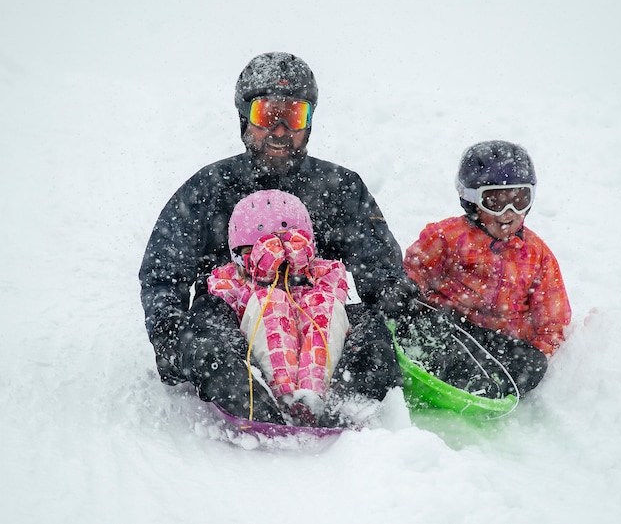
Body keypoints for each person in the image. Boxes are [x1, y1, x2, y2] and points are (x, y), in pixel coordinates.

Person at [139, 52, 417, 425]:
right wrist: (169, 328)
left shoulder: (339, 189)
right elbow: (164, 268)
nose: (281, 130)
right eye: (268, 115)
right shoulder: (210, 188)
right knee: (204, 338)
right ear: (244, 118)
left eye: (294, 116)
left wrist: (389, 291)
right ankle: (251, 394)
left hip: (314, 319)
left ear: (310, 122)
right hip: (232, 319)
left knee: (371, 331)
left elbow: (377, 260)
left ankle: (342, 403)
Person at [399, 140, 571, 398]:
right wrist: (407, 297)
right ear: (471, 201)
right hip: (447, 325)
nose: (509, 212)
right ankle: (434, 363)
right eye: (496, 201)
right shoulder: (448, 237)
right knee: (428, 323)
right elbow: (413, 272)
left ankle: (482, 382)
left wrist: (536, 352)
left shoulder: (537, 255)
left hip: (495, 345)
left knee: (533, 364)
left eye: (519, 200)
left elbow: (552, 319)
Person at [208, 189, 351, 426]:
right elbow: (223, 303)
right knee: (270, 302)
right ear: (237, 256)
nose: (278, 262)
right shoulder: (231, 279)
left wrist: (299, 275)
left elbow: (336, 293)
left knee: (323, 304)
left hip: (319, 378)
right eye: (254, 251)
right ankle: (282, 399)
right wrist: (263, 280)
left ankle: (311, 398)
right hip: (259, 365)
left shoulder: (322, 272)